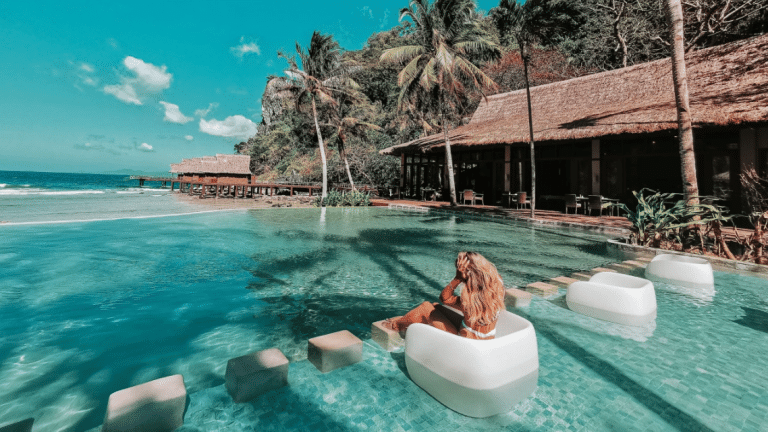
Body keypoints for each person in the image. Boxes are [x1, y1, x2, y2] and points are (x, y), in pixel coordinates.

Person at [383, 251, 505, 340]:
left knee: (426, 308)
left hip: (464, 343)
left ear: (468, 275)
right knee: (436, 307)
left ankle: (396, 326)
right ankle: (408, 320)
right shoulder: (498, 287)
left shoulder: (469, 300)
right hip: (483, 340)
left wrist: (457, 278)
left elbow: (445, 298)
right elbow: (442, 303)